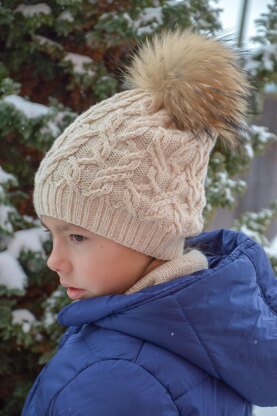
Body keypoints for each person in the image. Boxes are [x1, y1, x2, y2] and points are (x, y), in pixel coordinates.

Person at [22, 29, 277, 415]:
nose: (54, 261)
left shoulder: (115, 379)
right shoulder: (207, 336)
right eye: (51, 234)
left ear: (151, 235)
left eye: (76, 235)